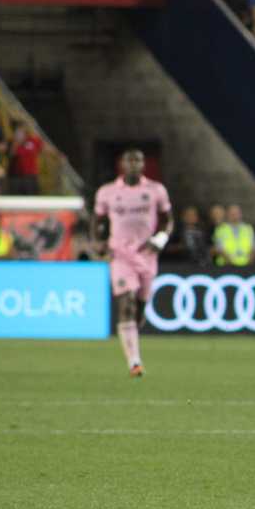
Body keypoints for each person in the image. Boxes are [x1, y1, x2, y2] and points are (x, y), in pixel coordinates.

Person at [92, 149, 172, 378]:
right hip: (120, 255)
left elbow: (168, 220)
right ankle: (134, 362)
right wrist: (97, 241)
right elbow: (97, 221)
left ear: (143, 165)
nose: (134, 164)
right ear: (122, 164)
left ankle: (132, 338)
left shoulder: (156, 190)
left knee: (139, 308)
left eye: (138, 160)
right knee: (125, 304)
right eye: (130, 160)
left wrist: (161, 239)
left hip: (146, 254)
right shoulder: (107, 192)